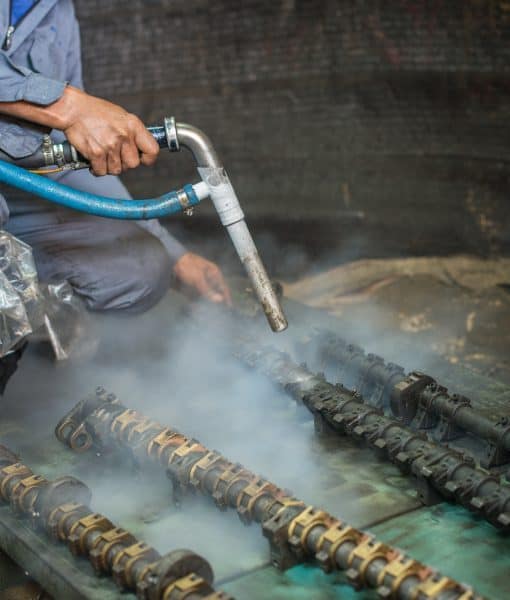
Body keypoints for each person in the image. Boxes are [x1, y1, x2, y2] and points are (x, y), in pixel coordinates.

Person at [0, 0, 231, 313]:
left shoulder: (60, 12)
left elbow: (70, 157)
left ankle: (39, 325)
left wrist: (176, 255)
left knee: (140, 267)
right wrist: (69, 107)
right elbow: (71, 114)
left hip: (19, 194)